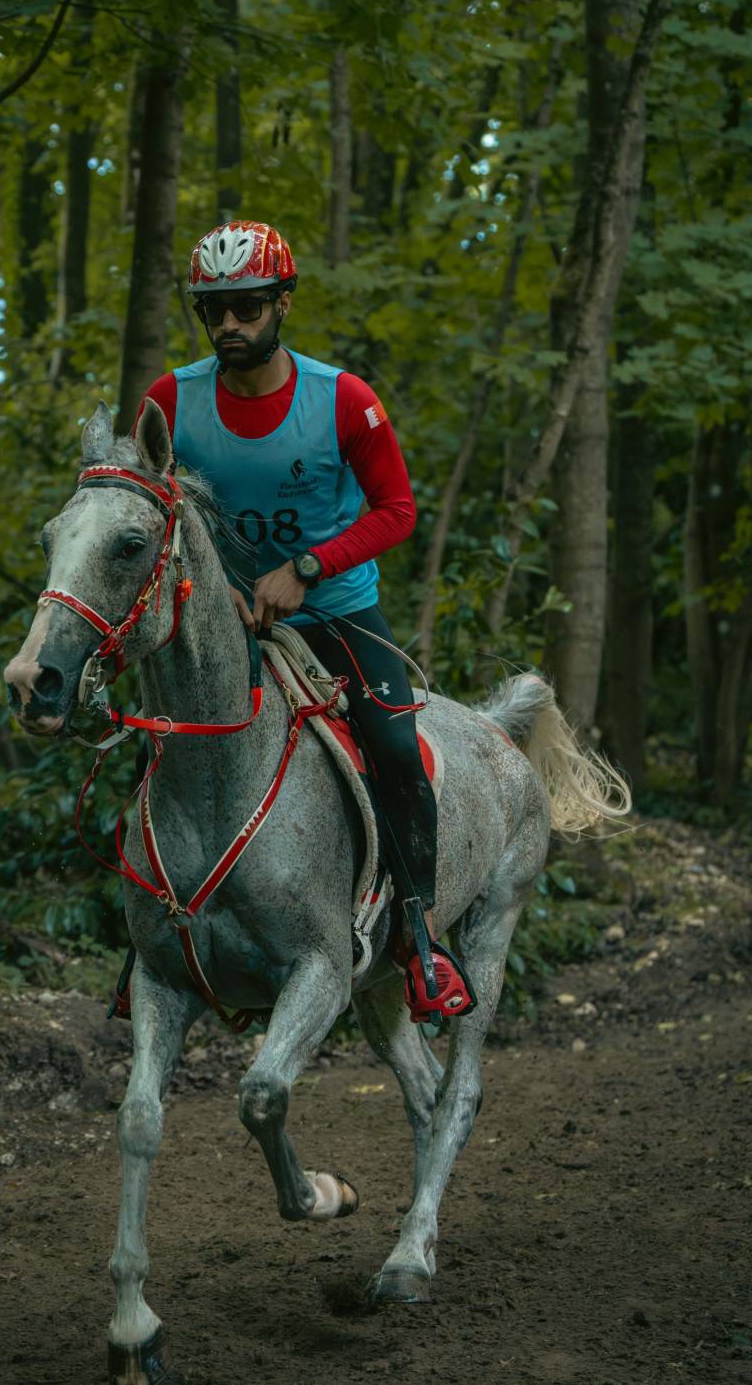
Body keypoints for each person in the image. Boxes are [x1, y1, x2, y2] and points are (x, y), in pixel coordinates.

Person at [136, 219, 471, 1024]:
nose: (229, 326)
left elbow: (397, 510)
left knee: (393, 743)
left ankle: (419, 939)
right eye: (213, 310)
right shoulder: (171, 400)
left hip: (337, 612)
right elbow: (151, 512)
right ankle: (150, 945)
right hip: (223, 628)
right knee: (164, 751)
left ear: (283, 302)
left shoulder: (345, 400)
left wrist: (310, 568)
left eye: (248, 307)